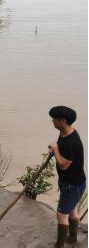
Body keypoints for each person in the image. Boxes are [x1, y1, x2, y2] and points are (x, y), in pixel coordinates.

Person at [48, 106, 86, 248]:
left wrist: (56, 149)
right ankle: (72, 239)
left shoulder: (72, 142)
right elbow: (62, 153)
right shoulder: (65, 133)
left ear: (62, 121)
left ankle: (59, 245)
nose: (52, 121)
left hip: (72, 184)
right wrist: (55, 149)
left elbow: (63, 165)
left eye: (54, 118)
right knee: (72, 210)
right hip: (71, 182)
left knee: (61, 215)